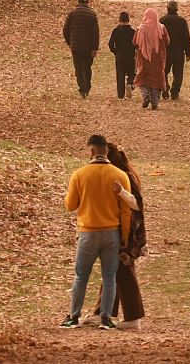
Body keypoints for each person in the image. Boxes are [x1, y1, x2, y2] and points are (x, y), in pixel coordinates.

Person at [61, 134, 132, 330]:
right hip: (111, 233)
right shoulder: (120, 175)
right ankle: (106, 319)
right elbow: (125, 211)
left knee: (81, 275)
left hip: (88, 232)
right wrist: (124, 236)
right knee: (109, 277)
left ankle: (74, 317)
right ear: (106, 151)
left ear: (91, 151)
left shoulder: (79, 174)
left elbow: (70, 205)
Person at [92, 142, 147, 330]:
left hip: (127, 233)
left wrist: (120, 191)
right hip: (117, 229)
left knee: (124, 272)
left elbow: (137, 204)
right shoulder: (121, 175)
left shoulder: (125, 178)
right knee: (113, 271)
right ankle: (104, 312)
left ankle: (133, 317)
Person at [63, 0, 99, 98]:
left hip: (76, 46)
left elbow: (65, 29)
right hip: (88, 46)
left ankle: (82, 88)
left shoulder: (72, 13)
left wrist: (69, 42)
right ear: (87, 2)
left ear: (78, 1)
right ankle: (87, 87)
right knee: (87, 67)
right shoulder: (92, 14)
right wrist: (95, 48)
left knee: (78, 68)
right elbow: (95, 33)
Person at [133, 8, 169, 110]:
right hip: (158, 58)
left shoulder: (140, 29)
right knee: (157, 79)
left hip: (144, 58)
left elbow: (134, 42)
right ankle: (155, 102)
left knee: (143, 78)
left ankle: (145, 96)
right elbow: (167, 41)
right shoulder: (162, 28)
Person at [160, 0, 190, 101]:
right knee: (178, 73)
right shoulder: (182, 21)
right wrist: (188, 52)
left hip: (165, 51)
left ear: (167, 9)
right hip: (178, 51)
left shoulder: (162, 20)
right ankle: (175, 92)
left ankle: (164, 87)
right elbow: (186, 37)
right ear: (177, 9)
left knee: (164, 71)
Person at [108, 12, 136, 100]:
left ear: (119, 20)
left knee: (120, 75)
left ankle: (120, 95)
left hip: (119, 56)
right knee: (132, 73)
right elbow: (136, 44)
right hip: (130, 56)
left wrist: (115, 51)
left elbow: (110, 44)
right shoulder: (132, 32)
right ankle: (130, 83)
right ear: (128, 20)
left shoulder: (115, 31)